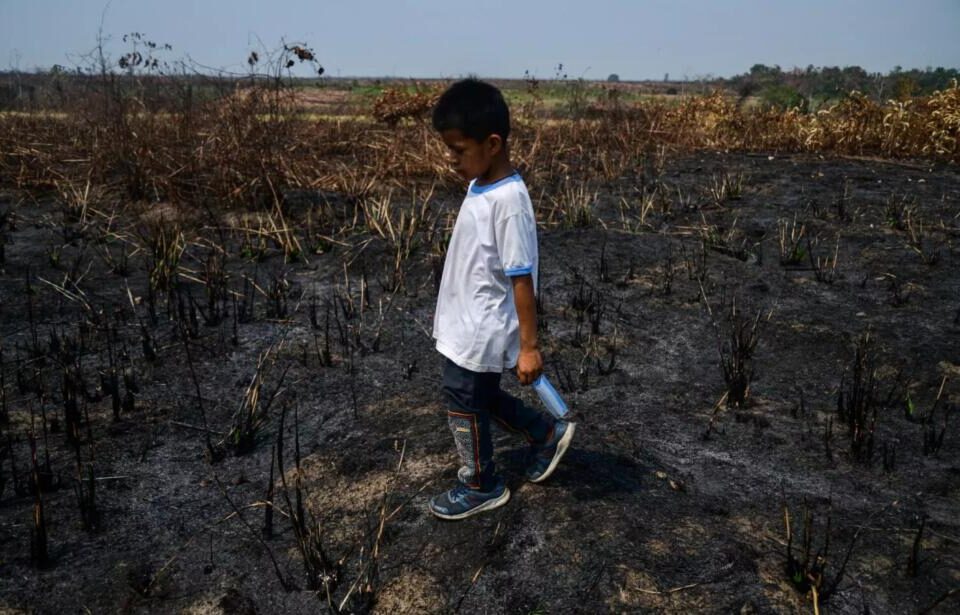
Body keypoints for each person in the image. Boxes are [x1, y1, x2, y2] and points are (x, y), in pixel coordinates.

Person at [428, 79, 575, 521]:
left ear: (493, 144)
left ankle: (480, 484)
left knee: (464, 395)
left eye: (458, 150)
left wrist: (528, 347)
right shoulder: (481, 185)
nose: (451, 159)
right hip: (465, 321)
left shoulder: (509, 201)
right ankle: (544, 431)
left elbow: (521, 280)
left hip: (482, 326)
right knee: (482, 396)